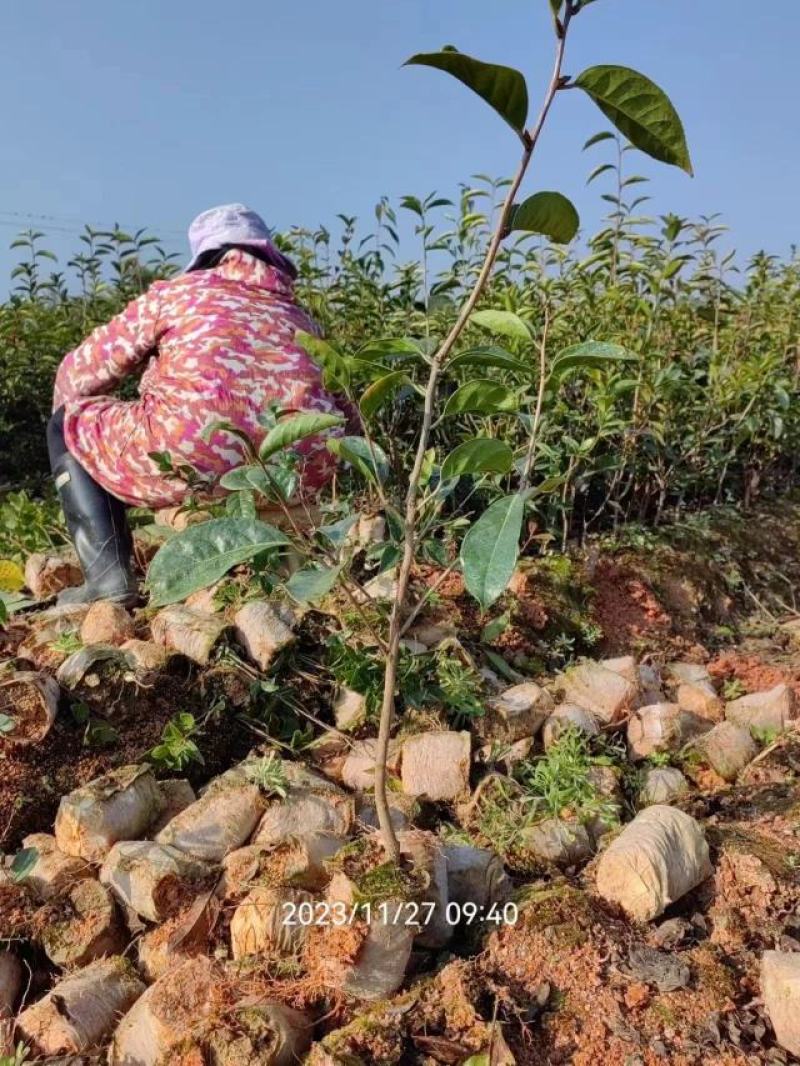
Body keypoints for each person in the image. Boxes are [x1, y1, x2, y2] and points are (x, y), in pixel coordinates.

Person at [47, 203, 349, 606]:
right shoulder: (299, 316)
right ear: (269, 257)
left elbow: (77, 373)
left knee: (67, 423)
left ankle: (108, 581)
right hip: (300, 469)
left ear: (205, 256)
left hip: (199, 457)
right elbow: (345, 406)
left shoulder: (176, 295)